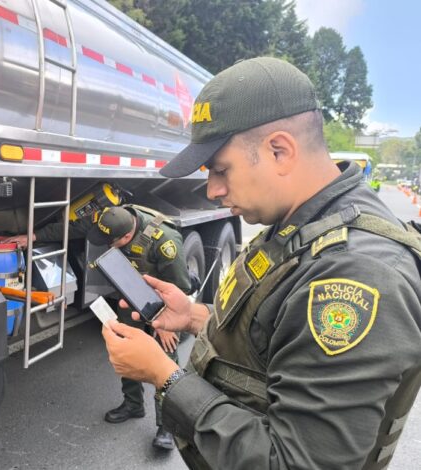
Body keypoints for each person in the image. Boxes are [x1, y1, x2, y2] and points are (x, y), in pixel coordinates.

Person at [102, 56, 421, 469]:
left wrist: (166, 377)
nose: (213, 190)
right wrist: (195, 317)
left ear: (279, 150)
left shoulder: (357, 275)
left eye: (220, 170)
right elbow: (280, 335)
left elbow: (295, 463)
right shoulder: (299, 222)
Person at [7, 203, 194, 450]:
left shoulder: (165, 241)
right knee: (126, 349)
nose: (105, 244)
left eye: (111, 241)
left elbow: (180, 286)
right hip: (130, 294)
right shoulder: (110, 219)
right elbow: (72, 228)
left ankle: (167, 426)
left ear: (127, 236)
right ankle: (133, 405)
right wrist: (31, 236)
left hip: (163, 302)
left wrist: (167, 323)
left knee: (166, 359)